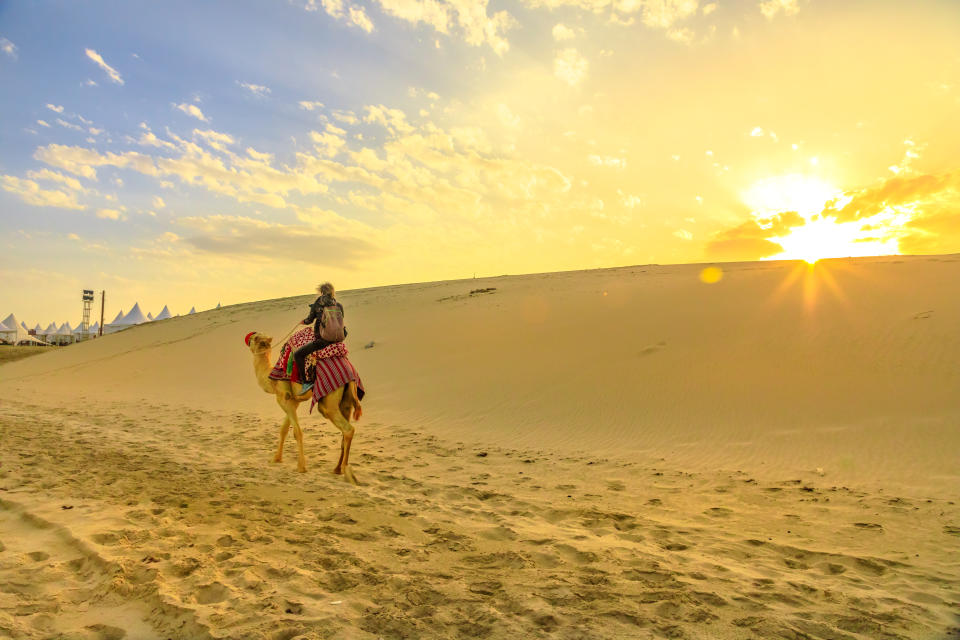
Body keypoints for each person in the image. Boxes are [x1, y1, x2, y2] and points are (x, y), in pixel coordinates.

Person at [293, 282, 347, 391]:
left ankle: (306, 383)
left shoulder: (318, 303)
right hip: (339, 339)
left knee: (298, 354)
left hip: (323, 340)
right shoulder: (338, 305)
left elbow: (309, 320)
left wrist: (304, 321)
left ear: (321, 292)